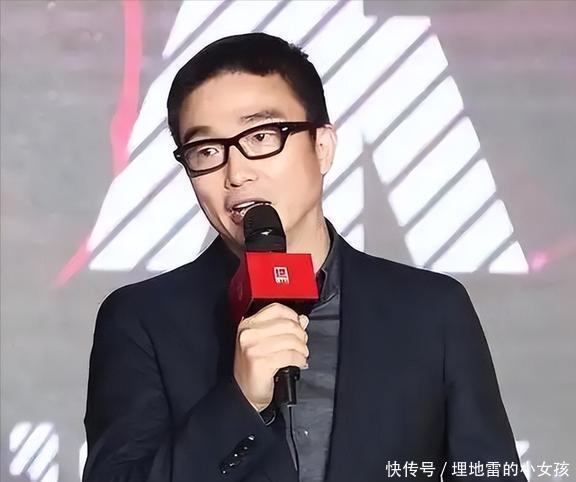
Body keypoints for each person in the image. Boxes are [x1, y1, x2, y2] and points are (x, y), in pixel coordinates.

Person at [82, 33, 526, 482]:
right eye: (207, 150)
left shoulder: (431, 310)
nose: (237, 173)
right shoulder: (141, 320)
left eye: (261, 136)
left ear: (322, 147)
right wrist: (239, 403)